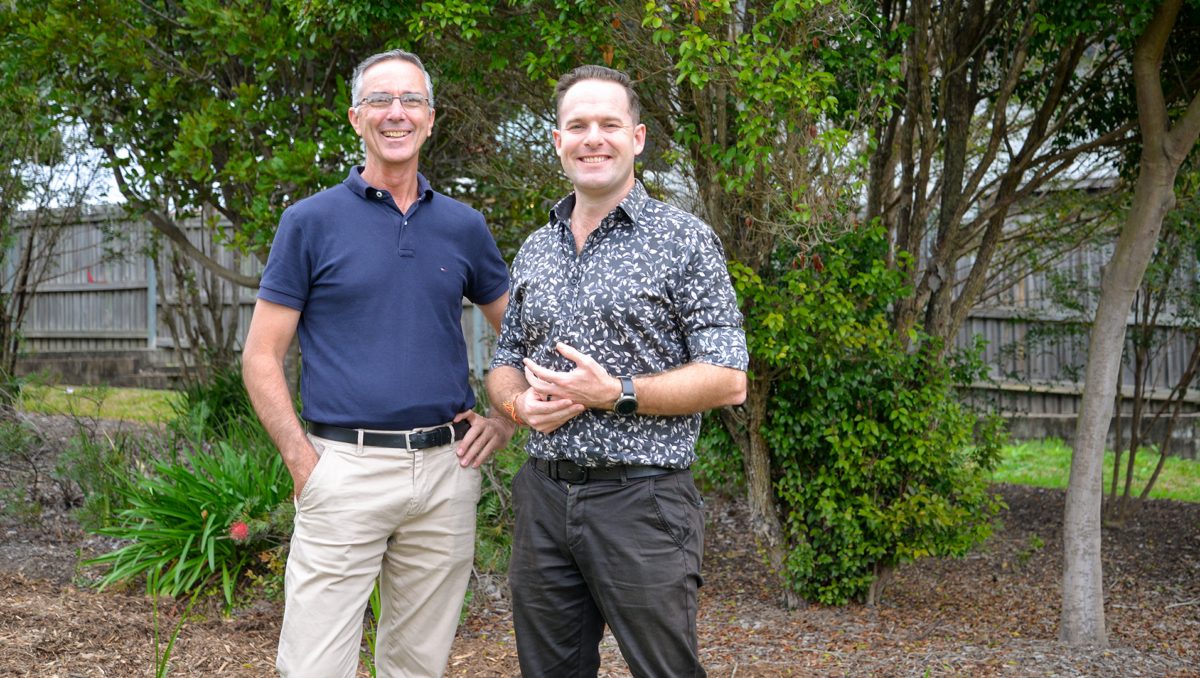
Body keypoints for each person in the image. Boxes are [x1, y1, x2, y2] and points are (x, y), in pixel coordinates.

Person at [242, 49, 514, 678]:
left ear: (431, 118)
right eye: (381, 101)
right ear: (355, 118)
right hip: (344, 468)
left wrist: (506, 416)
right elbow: (260, 355)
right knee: (312, 666)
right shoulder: (308, 222)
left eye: (411, 101)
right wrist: (300, 460)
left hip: (447, 473)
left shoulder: (464, 226)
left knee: (417, 666)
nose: (397, 113)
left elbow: (523, 335)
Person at [486, 65, 749, 678]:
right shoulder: (536, 248)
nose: (593, 138)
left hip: (642, 500)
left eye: (609, 123)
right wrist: (518, 406)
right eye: (577, 125)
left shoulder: (683, 240)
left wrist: (617, 394)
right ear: (558, 142)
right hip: (545, 495)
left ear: (638, 137)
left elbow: (729, 377)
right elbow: (503, 365)